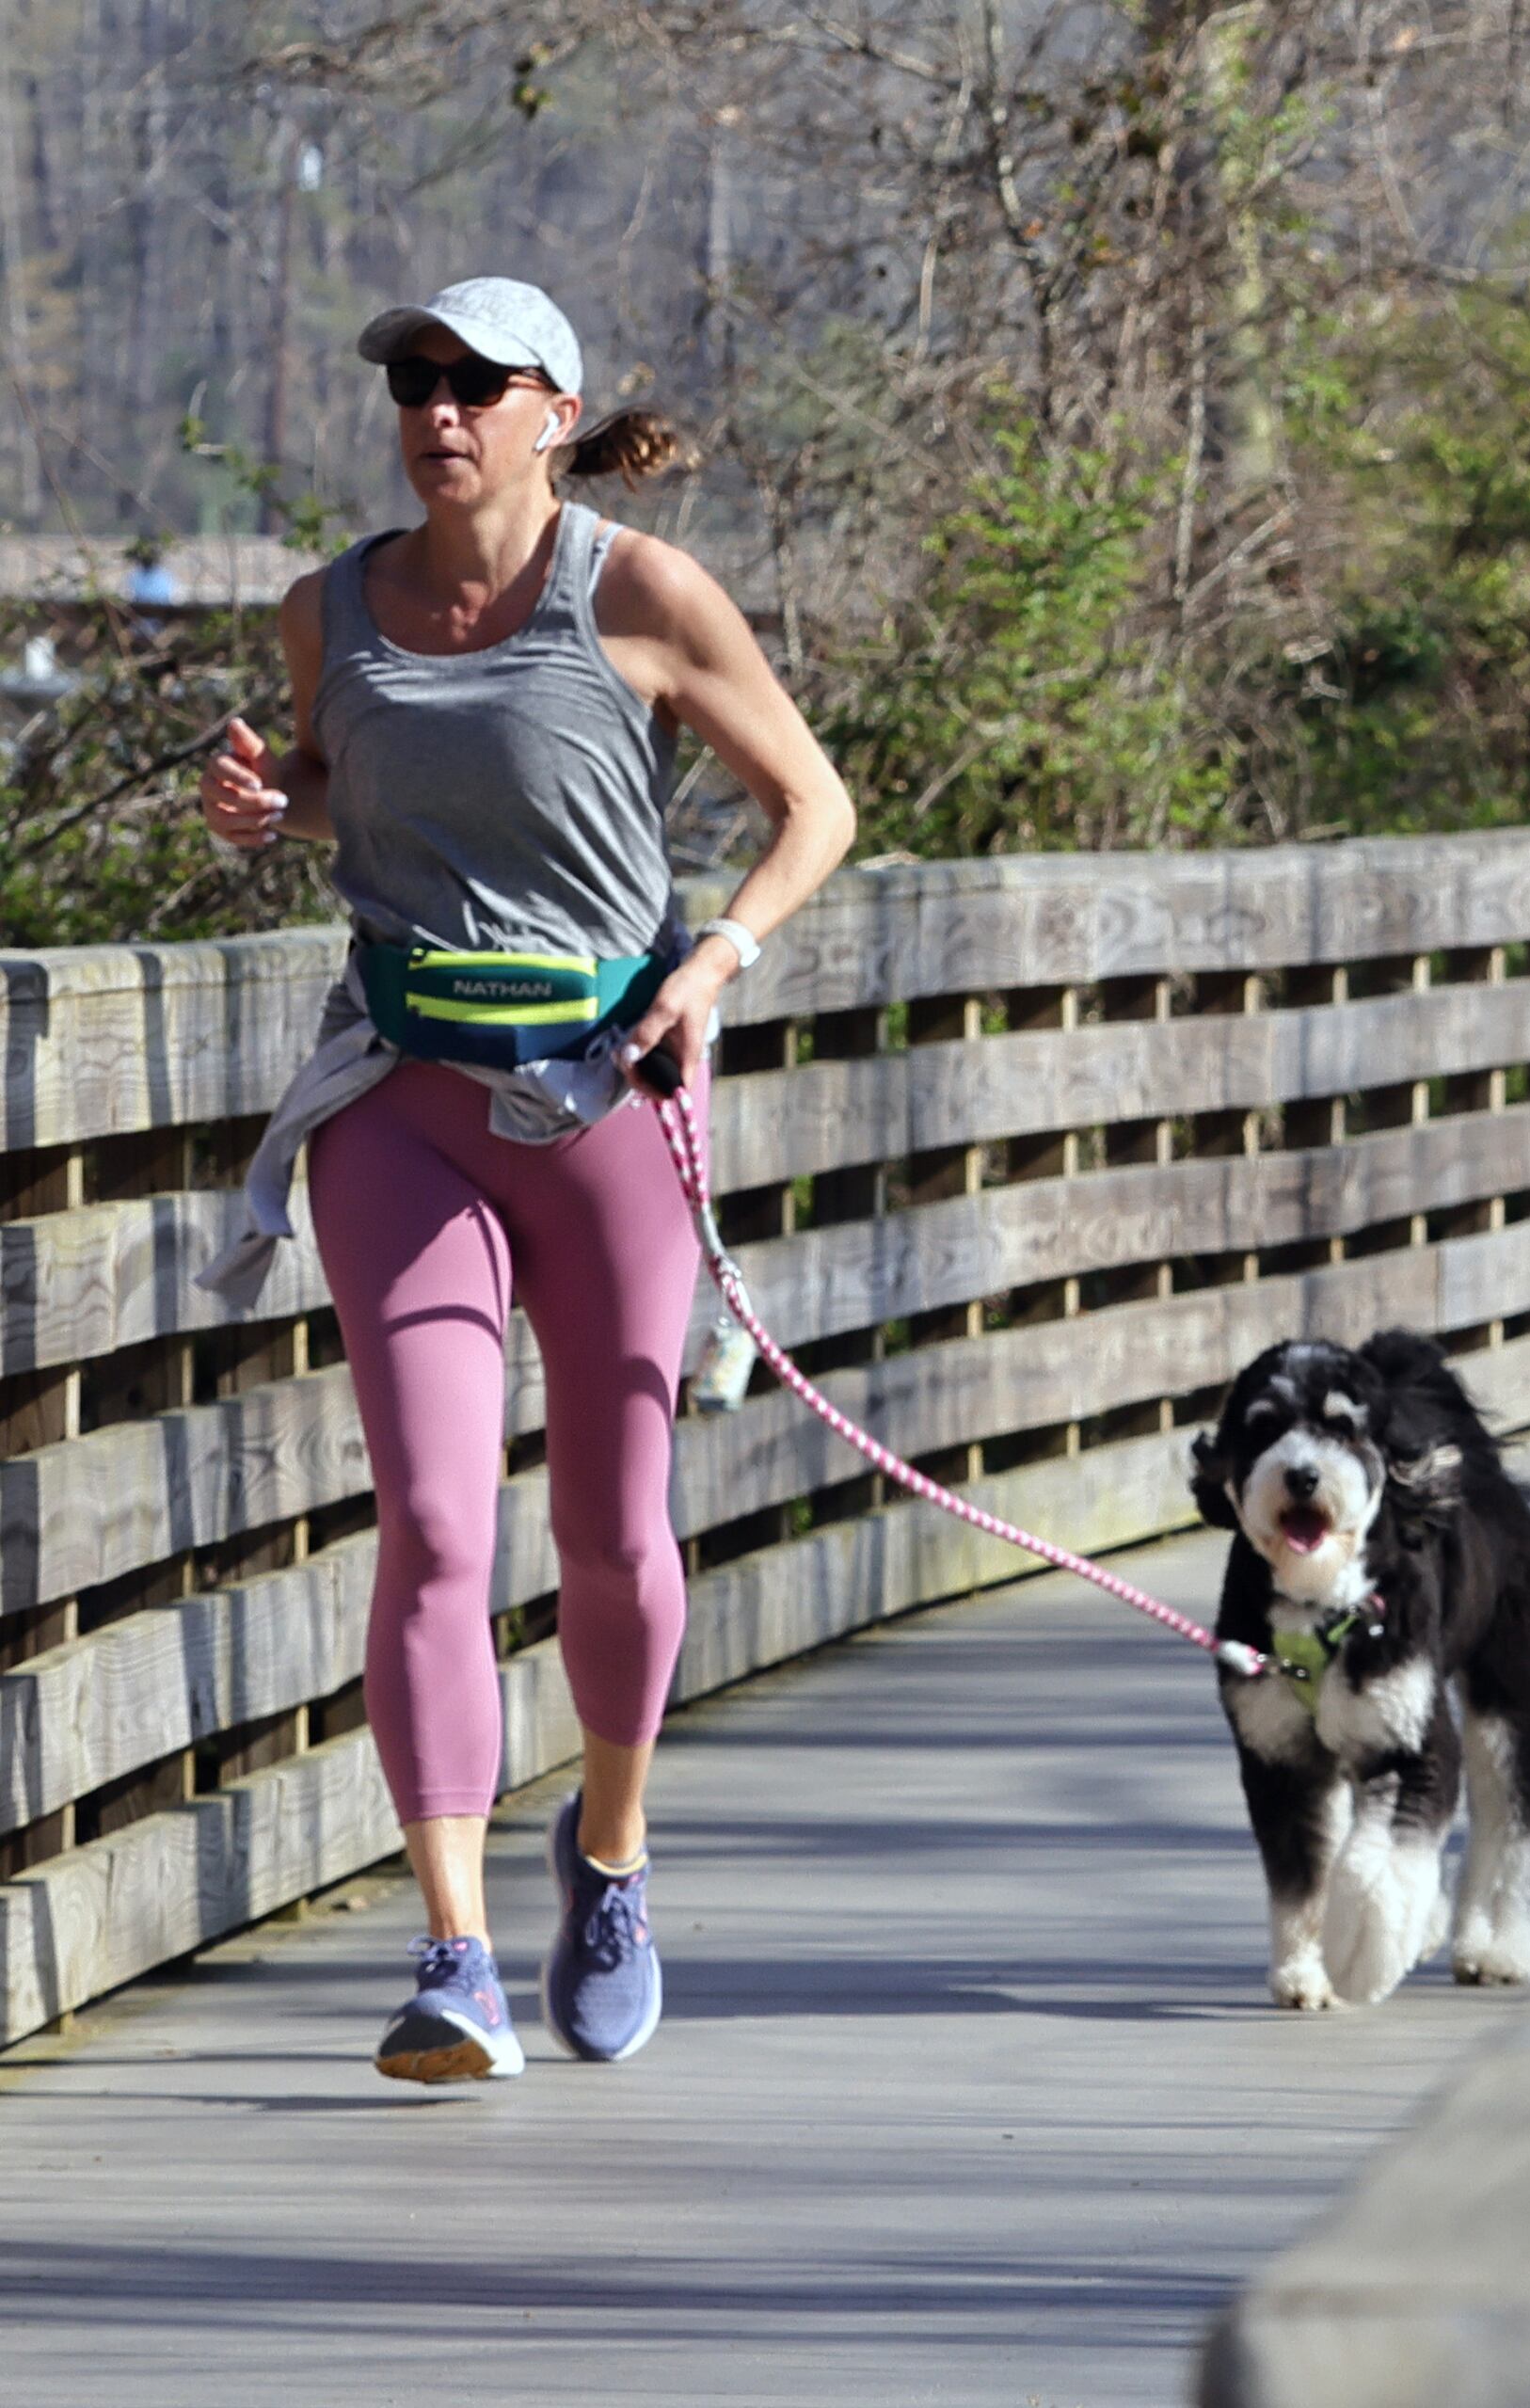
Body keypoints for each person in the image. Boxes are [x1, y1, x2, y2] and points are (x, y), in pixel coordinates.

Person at [195, 277, 857, 2079]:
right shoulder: (326, 609)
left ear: (551, 409)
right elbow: (353, 791)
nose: (439, 407)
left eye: (477, 381)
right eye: (414, 380)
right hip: (402, 1099)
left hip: (602, 1099)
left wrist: (712, 961)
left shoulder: (635, 591)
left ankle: (614, 1853)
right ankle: (454, 1954)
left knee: (612, 1534)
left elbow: (817, 805)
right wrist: (280, 811)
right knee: (430, 1521)